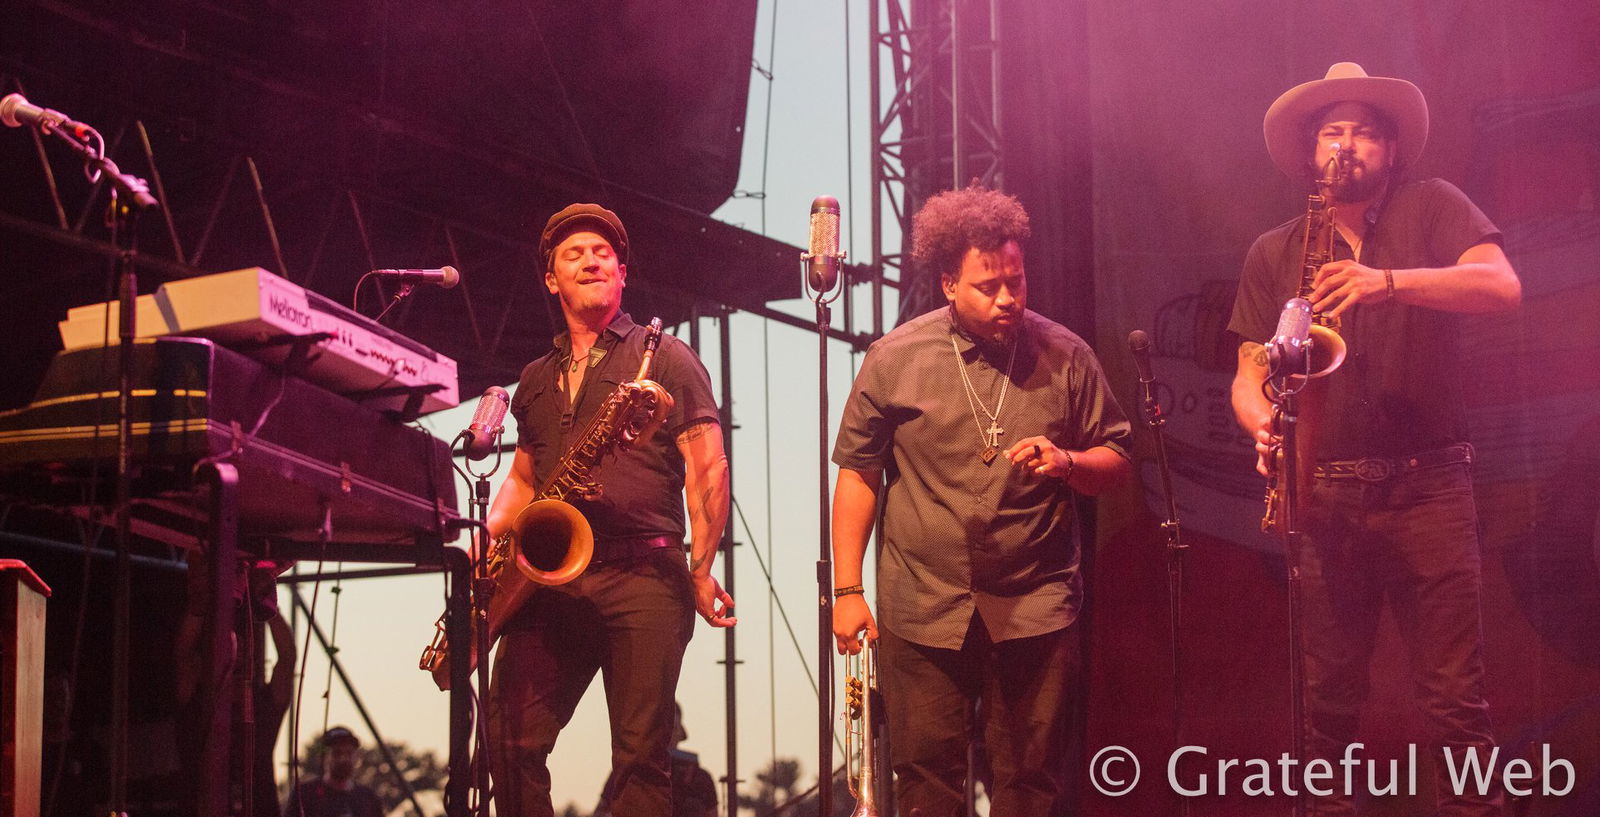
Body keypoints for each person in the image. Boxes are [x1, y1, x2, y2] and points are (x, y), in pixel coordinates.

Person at [1229, 63, 1521, 816]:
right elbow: (1249, 372)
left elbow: (1502, 286)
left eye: (1363, 131)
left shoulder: (1434, 205)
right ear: (1309, 153)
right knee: (1325, 708)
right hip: (1325, 492)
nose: (1346, 145)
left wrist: (1386, 282)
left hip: (1431, 488)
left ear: (1391, 149)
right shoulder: (1277, 250)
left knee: (1455, 704)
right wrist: (1263, 420)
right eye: (1332, 131)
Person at [830, 185, 1133, 816]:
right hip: (922, 605)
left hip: (1035, 606)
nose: (1007, 299)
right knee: (925, 783)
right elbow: (858, 475)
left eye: (1016, 282)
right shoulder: (895, 359)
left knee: (1029, 784)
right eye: (987, 286)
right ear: (948, 284)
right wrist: (848, 590)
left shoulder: (1067, 356)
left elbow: (1117, 461)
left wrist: (1068, 462)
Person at [484, 203, 734, 816]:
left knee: (640, 759)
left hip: (645, 576)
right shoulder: (534, 378)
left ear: (622, 273)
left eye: (604, 254)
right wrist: (484, 546)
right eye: (574, 254)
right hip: (550, 581)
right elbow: (523, 479)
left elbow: (709, 466)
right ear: (552, 279)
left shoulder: (666, 356)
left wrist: (701, 569)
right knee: (506, 739)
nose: (591, 261)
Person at [282, 726, 383, 817]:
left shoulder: (368, 798)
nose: (343, 759)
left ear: (356, 757)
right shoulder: (304, 795)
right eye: (336, 753)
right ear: (323, 757)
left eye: (349, 753)